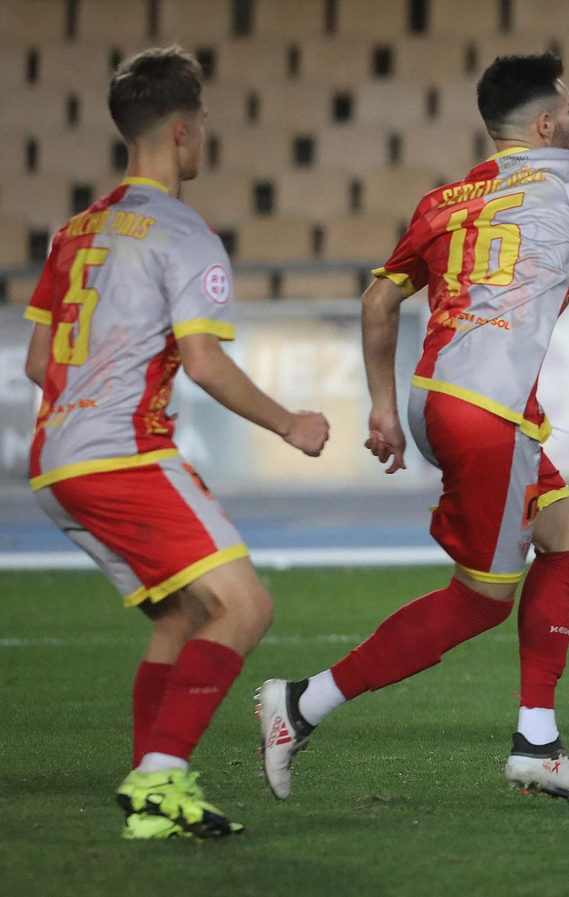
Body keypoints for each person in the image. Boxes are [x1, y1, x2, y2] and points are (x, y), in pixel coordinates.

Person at [256, 53, 569, 802]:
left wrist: (380, 407)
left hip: (444, 400)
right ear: (544, 123)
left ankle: (537, 740)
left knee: (567, 534)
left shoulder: (444, 200)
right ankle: (302, 704)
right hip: (485, 415)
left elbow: (376, 303)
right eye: (567, 104)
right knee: (479, 598)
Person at [23, 47, 330, 839]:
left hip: (55, 461)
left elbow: (35, 360)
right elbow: (203, 361)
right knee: (245, 605)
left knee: (182, 617)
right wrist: (291, 423)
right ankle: (162, 778)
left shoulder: (73, 230)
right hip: (123, 453)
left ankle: (151, 798)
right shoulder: (182, 231)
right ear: (185, 133)